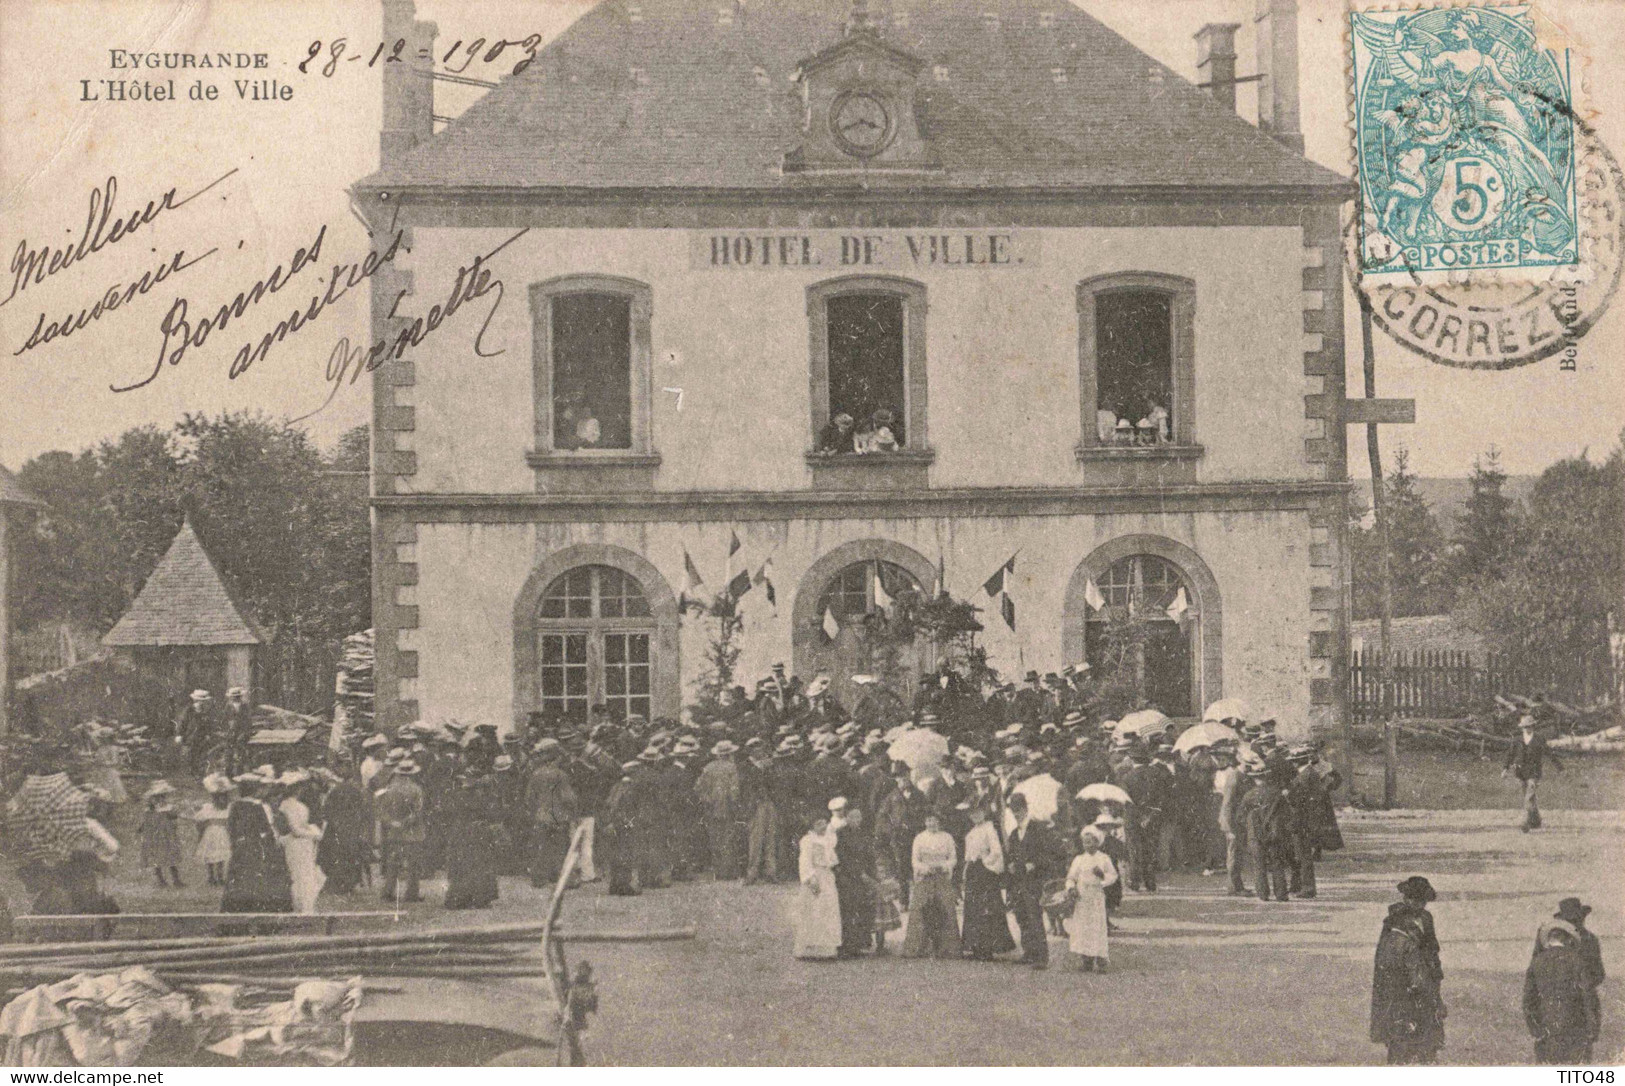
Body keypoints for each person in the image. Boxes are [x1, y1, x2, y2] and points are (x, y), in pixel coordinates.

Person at [1370, 876, 1446, 1065]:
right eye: (1412, 899)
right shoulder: (1394, 921)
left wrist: (1435, 973)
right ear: (1405, 898)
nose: (1417, 904)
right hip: (1402, 985)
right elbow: (1386, 956)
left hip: (1425, 978)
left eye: (1421, 900)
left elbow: (1432, 947)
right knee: (1402, 1034)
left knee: (1427, 1033)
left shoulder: (1427, 918)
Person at [1524, 920, 1599, 1064]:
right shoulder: (1578, 961)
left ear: (1549, 941)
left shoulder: (1536, 963)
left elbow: (1528, 1002)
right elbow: (1589, 999)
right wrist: (1592, 1030)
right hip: (1576, 1030)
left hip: (1546, 1031)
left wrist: (1535, 1030)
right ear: (1568, 940)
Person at [221, 767, 294, 914]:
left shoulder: (235, 806)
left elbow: (231, 828)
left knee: (240, 878)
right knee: (262, 880)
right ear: (256, 790)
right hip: (258, 848)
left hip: (241, 850)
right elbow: (266, 829)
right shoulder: (258, 807)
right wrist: (273, 841)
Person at [960, 802, 1016, 961]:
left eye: (978, 812)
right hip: (973, 871)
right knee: (974, 908)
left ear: (984, 813)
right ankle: (976, 946)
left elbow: (997, 851)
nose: (975, 816)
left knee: (987, 908)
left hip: (985, 872)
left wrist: (985, 863)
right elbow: (968, 855)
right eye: (972, 813)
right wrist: (967, 868)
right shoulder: (971, 832)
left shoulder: (989, 829)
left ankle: (989, 947)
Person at [900, 812, 961, 959]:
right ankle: (918, 948)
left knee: (946, 908)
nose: (931, 823)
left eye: (934, 820)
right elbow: (914, 861)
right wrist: (926, 868)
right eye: (928, 820)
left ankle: (947, 949)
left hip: (941, 877)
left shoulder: (947, 837)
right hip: (925, 878)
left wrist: (943, 866)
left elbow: (953, 858)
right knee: (920, 910)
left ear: (939, 821)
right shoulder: (919, 838)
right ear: (925, 821)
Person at [1065, 827, 1118, 972]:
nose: (1087, 846)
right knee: (1083, 928)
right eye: (1084, 843)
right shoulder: (1079, 859)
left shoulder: (1104, 858)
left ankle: (1101, 961)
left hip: (1096, 897)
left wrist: (1102, 876)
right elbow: (1071, 877)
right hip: (1082, 898)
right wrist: (1071, 888)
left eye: (1090, 842)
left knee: (1097, 927)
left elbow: (1113, 876)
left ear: (1097, 842)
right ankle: (1086, 960)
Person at [831, 798, 880, 957]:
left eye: (859, 817)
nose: (856, 820)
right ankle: (846, 946)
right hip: (847, 877)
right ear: (846, 818)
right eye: (853, 817)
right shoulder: (840, 834)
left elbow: (869, 856)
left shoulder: (864, 834)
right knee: (848, 910)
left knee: (862, 908)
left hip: (863, 877)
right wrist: (860, 874)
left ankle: (859, 943)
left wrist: (872, 875)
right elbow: (842, 858)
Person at [316, 762, 373, 895]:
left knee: (334, 855)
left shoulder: (335, 791)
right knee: (351, 855)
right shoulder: (356, 791)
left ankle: (336, 883)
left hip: (336, 828)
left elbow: (326, 811)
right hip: (352, 828)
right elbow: (364, 811)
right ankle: (349, 883)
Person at [527, 738, 578, 887]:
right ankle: (565, 879)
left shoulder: (536, 774)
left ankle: (538, 878)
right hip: (559, 817)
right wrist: (574, 811)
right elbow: (568, 797)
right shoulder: (560, 775)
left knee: (542, 848)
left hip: (541, 815)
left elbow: (529, 797)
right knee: (561, 848)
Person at [1239, 762, 1292, 902]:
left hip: (1255, 835)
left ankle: (1263, 894)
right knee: (1277, 864)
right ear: (1266, 776)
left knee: (1259, 865)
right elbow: (1287, 814)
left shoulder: (1249, 795)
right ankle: (1281, 894)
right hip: (1275, 834)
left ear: (1254, 778)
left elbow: (1240, 816)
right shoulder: (1277, 793)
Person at [375, 758, 426, 904]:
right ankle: (411, 894)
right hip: (412, 833)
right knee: (413, 865)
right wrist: (405, 823)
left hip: (394, 832)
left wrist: (392, 823)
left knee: (393, 864)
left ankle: (387, 892)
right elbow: (418, 811)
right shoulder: (416, 789)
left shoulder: (389, 788)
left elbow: (381, 810)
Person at [793, 815, 842, 960]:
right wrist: (810, 878)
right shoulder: (808, 840)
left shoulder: (828, 839)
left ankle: (826, 948)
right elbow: (804, 861)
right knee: (813, 911)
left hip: (827, 876)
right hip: (815, 876)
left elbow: (831, 859)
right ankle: (809, 948)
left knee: (828, 910)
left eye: (824, 823)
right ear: (812, 826)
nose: (823, 826)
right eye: (819, 823)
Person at [695, 740, 745, 880]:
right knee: (728, 838)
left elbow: (698, 787)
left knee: (714, 838)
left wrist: (707, 799)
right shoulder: (731, 768)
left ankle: (718, 870)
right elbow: (734, 791)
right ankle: (728, 871)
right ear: (729, 754)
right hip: (727, 807)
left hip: (711, 808)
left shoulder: (708, 767)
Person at [1503, 715, 1563, 831]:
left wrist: (1560, 767)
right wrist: (1505, 768)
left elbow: (1549, 753)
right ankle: (1536, 820)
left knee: (1529, 797)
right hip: (1520, 772)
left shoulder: (1539, 739)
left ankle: (1526, 822)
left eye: (1529, 726)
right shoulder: (1517, 740)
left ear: (1533, 726)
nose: (1527, 728)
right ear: (1522, 728)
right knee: (1528, 795)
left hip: (1534, 772)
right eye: (1525, 727)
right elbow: (1510, 754)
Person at [278, 772, 326, 915]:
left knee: (304, 873)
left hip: (303, 843)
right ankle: (303, 907)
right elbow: (296, 830)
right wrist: (315, 834)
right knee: (301, 874)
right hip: (297, 844)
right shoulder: (290, 805)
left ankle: (304, 906)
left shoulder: (289, 804)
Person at [139, 780, 185, 888]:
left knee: (171, 857)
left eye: (162, 796)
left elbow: (174, 816)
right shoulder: (149, 810)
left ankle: (176, 879)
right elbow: (145, 823)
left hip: (167, 835)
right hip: (155, 836)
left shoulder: (167, 807)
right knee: (157, 858)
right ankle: (161, 880)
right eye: (157, 797)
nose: (160, 799)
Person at [193, 775, 234, 887]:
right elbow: (199, 820)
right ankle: (211, 876)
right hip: (211, 834)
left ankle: (220, 877)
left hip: (223, 835)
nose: (223, 800)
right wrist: (202, 829)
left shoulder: (229, 808)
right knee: (210, 856)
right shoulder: (208, 808)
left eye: (225, 797)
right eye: (220, 797)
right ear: (215, 798)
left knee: (221, 856)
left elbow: (230, 822)